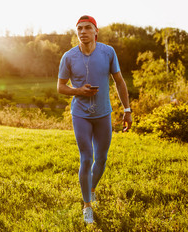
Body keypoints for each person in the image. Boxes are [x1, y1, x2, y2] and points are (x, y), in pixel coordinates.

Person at [57, 15, 132, 224]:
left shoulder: (108, 52)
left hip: (103, 114)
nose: (83, 32)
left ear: (96, 31)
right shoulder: (69, 57)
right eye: (79, 28)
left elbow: (119, 81)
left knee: (102, 159)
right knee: (86, 157)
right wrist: (78, 90)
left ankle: (91, 188)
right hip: (80, 114)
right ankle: (87, 205)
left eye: (87, 28)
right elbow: (60, 87)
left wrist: (127, 109)